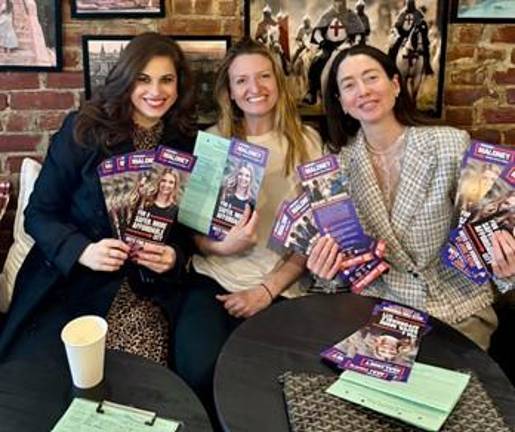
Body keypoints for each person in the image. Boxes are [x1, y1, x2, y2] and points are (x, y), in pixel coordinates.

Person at [0, 33, 197, 365]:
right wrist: (83, 251)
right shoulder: (84, 130)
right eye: (143, 79)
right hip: (69, 280)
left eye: (167, 80)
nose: (156, 91)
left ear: (179, 86)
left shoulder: (184, 143)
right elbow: (39, 214)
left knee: (139, 380)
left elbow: (184, 229)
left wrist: (172, 256)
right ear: (125, 79)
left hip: (142, 289)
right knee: (49, 381)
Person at [307, 44, 515, 351]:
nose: (363, 90)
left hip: (452, 308)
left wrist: (506, 267)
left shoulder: (450, 144)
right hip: (376, 313)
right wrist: (325, 271)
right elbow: (345, 268)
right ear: (342, 104)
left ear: (395, 84)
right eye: (349, 85)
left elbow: (484, 233)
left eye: (371, 78)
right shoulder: (336, 167)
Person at [173, 38, 323, 423]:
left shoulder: (307, 142)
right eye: (242, 81)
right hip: (213, 279)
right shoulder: (213, 142)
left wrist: (267, 290)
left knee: (267, 385)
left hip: (281, 287)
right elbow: (191, 232)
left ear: (278, 81)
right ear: (229, 91)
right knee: (197, 371)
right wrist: (221, 247)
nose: (254, 88)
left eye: (263, 76)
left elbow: (317, 231)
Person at [303, 0, 364, 105]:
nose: (338, 4)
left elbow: (358, 33)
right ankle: (312, 92)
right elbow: (317, 32)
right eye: (336, 1)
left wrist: (356, 42)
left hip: (347, 46)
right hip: (328, 46)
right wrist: (322, 41)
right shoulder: (328, 15)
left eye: (341, 1)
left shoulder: (351, 15)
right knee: (316, 62)